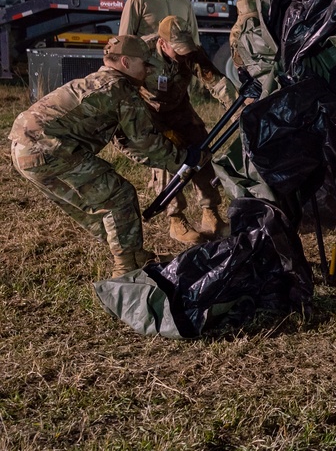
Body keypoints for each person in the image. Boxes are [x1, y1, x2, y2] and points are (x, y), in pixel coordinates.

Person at [9, 35, 198, 278]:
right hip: (50, 149)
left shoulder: (101, 82)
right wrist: (185, 159)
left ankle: (133, 255)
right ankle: (126, 271)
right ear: (126, 62)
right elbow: (146, 142)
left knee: (95, 206)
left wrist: (173, 159)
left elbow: (125, 140)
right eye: (144, 63)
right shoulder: (120, 90)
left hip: (23, 148)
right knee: (118, 196)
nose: (148, 69)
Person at [135, 15, 238, 244]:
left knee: (202, 152)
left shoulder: (191, 53)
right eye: (177, 49)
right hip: (152, 116)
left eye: (186, 49)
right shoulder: (141, 53)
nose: (183, 54)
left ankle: (210, 214)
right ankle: (176, 220)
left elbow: (217, 82)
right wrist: (152, 130)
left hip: (181, 111)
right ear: (163, 43)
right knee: (165, 159)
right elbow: (126, 90)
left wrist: (237, 111)